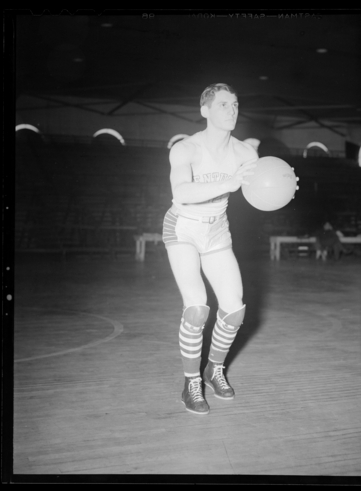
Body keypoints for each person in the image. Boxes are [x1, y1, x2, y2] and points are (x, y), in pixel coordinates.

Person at [162, 83, 258, 415]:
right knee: (198, 306)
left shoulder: (245, 153)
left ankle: (213, 369)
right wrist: (228, 184)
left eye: (234, 104)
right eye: (222, 105)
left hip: (217, 231)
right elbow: (182, 193)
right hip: (183, 227)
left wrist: (282, 186)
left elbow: (260, 192)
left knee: (234, 309)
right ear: (204, 110)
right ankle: (191, 382)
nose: (231, 110)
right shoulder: (185, 149)